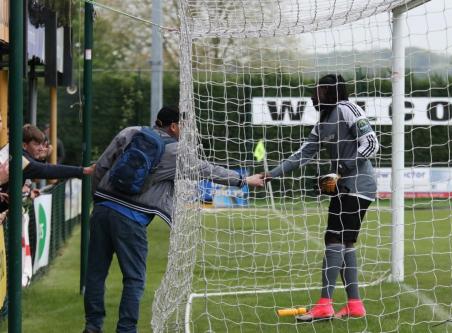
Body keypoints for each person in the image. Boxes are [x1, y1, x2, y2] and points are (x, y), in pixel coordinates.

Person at [83, 106, 264, 333]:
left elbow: (101, 166)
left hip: (102, 207)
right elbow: (206, 170)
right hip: (131, 217)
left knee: (96, 273)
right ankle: (126, 330)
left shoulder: (130, 132)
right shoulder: (176, 151)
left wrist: (98, 200)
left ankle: (92, 327)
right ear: (174, 126)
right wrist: (243, 180)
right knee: (134, 279)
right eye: (185, 127)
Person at [260, 74, 379, 321]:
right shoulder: (322, 121)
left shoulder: (348, 108)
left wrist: (342, 170)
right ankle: (354, 305)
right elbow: (302, 155)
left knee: (333, 238)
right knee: (344, 243)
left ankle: (325, 304)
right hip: (343, 187)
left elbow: (371, 144)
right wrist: (271, 174)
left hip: (358, 186)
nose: (314, 96)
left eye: (319, 91)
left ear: (331, 91)